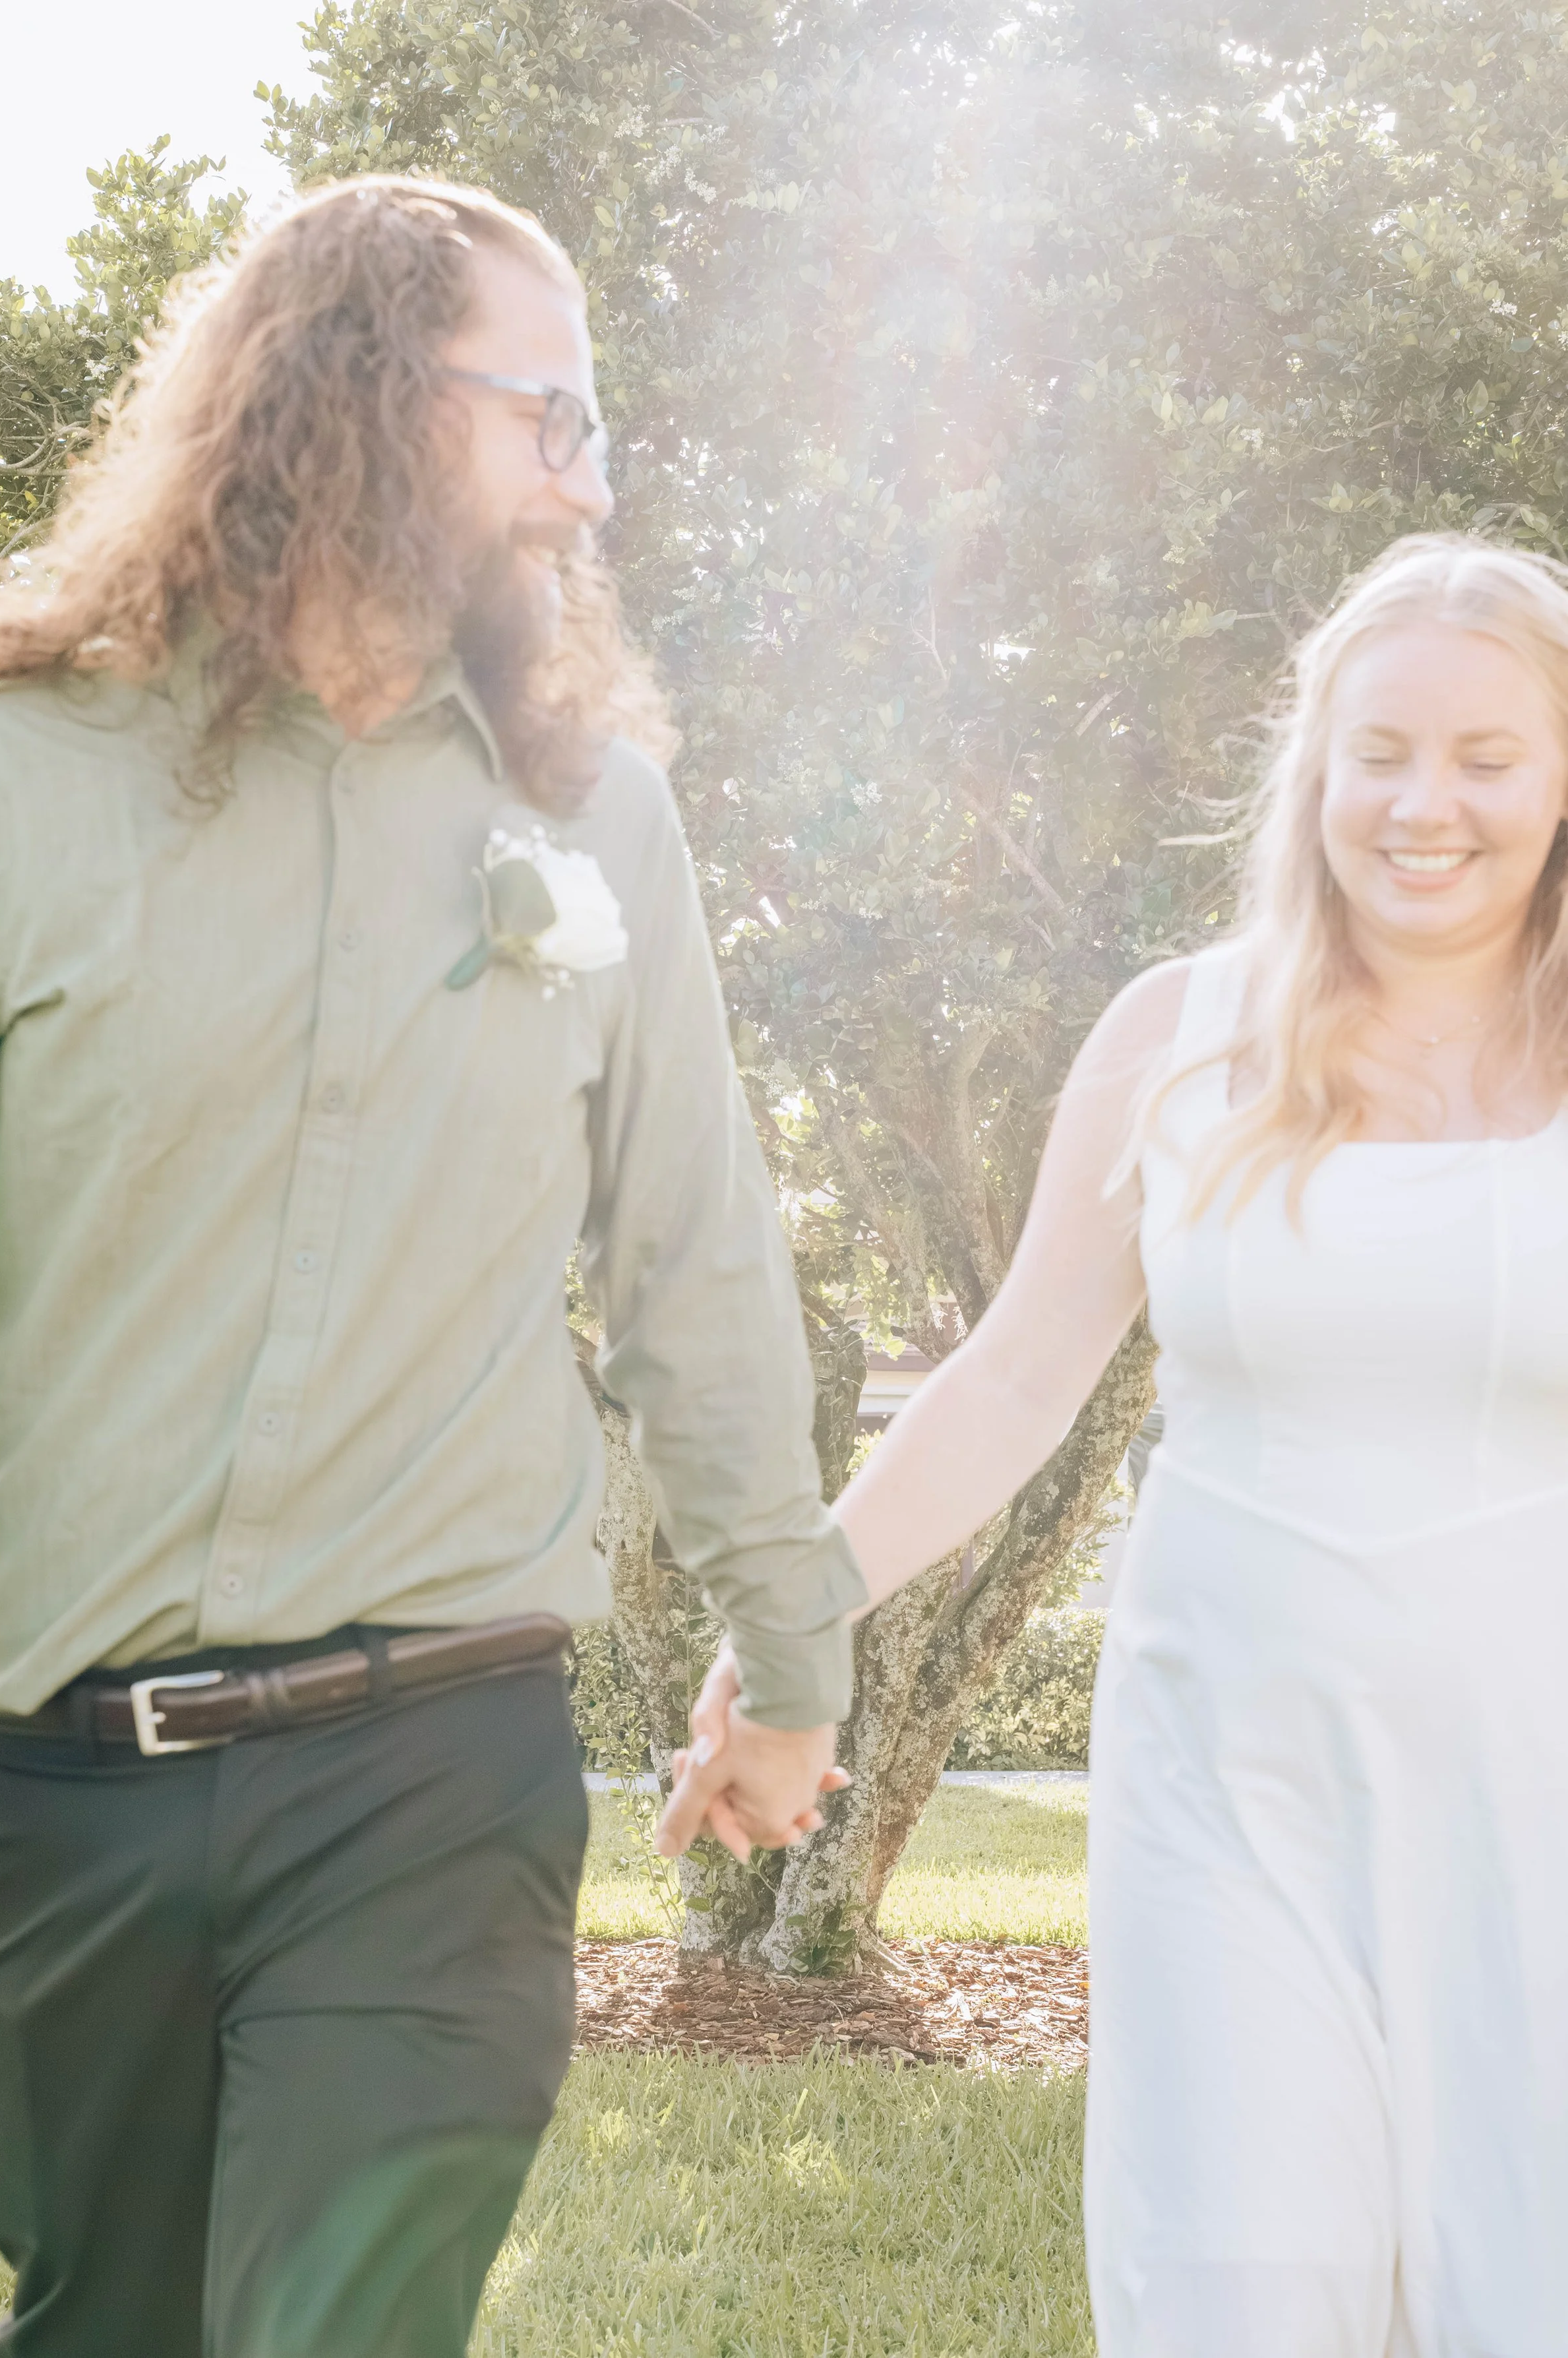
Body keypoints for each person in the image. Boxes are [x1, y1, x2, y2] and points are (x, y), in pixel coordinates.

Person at [0, 175, 862, 2358]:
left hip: (439, 1759)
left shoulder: (596, 817)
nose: (584, 478)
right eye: (548, 410)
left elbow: (693, 1258)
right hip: (65, 1785)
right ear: (349, 392)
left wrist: (791, 1654)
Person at [661, 533, 1568, 2355]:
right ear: (1313, 764)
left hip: (1533, 1767)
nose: (1423, 805)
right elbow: (1008, 1379)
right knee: (1237, 2280)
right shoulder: (1179, 1033)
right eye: (1378, 749)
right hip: (1229, 1767)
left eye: (1488, 757)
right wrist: (791, 1622)